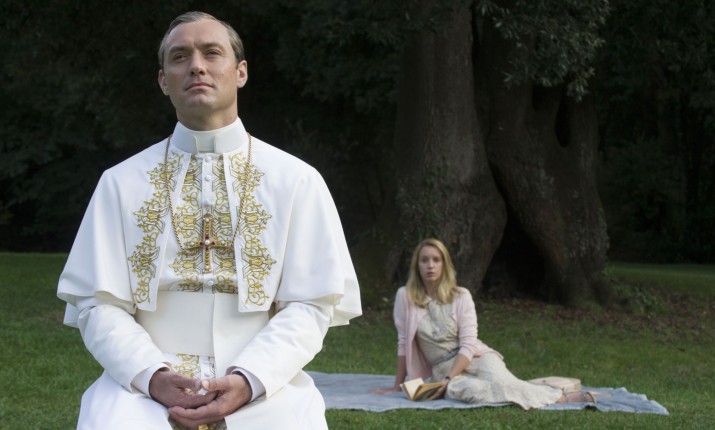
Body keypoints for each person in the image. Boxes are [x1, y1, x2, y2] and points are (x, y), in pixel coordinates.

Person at [57, 11, 361, 430]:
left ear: (241, 72)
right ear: (164, 80)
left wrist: (248, 380)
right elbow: (98, 304)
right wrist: (153, 376)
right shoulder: (120, 182)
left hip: (265, 381)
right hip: (143, 383)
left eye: (211, 53)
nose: (196, 66)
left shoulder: (297, 180)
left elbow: (310, 305)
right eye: (180, 56)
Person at [372, 238, 593, 409]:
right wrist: (397, 385)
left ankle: (561, 397)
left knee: (501, 383)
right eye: (425, 260)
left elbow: (468, 344)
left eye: (436, 260)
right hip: (442, 368)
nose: (430, 265)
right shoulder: (405, 296)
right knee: (476, 392)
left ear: (444, 265)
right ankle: (553, 394)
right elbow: (403, 343)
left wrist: (450, 378)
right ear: (417, 265)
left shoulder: (461, 296)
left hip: (475, 357)